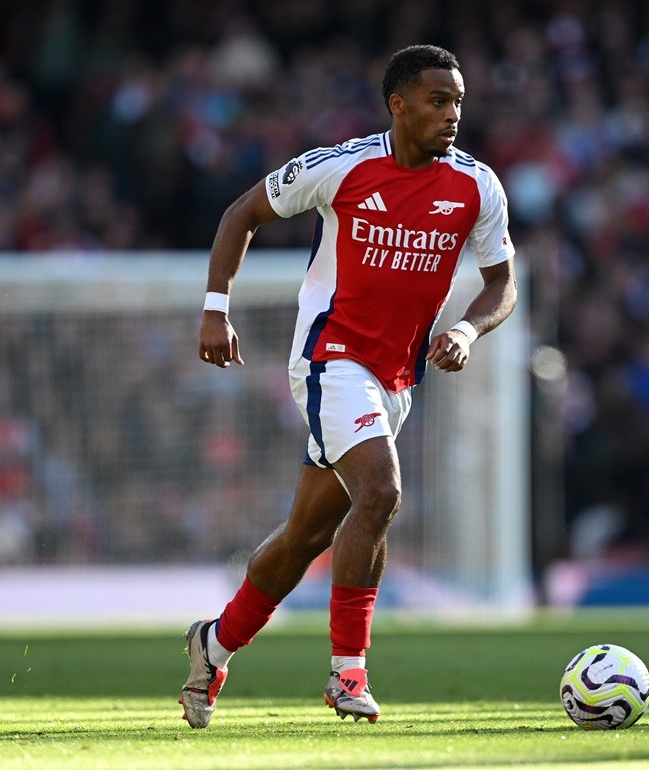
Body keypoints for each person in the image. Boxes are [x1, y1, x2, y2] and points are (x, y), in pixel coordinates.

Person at [180, 44, 517, 728]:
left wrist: (469, 331)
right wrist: (216, 309)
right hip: (331, 360)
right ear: (399, 104)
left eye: (458, 101)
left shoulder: (476, 187)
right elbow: (241, 213)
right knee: (383, 491)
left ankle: (212, 644)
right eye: (438, 100)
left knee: (306, 537)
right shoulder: (343, 167)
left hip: (394, 379)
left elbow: (501, 283)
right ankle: (348, 672)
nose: (452, 114)